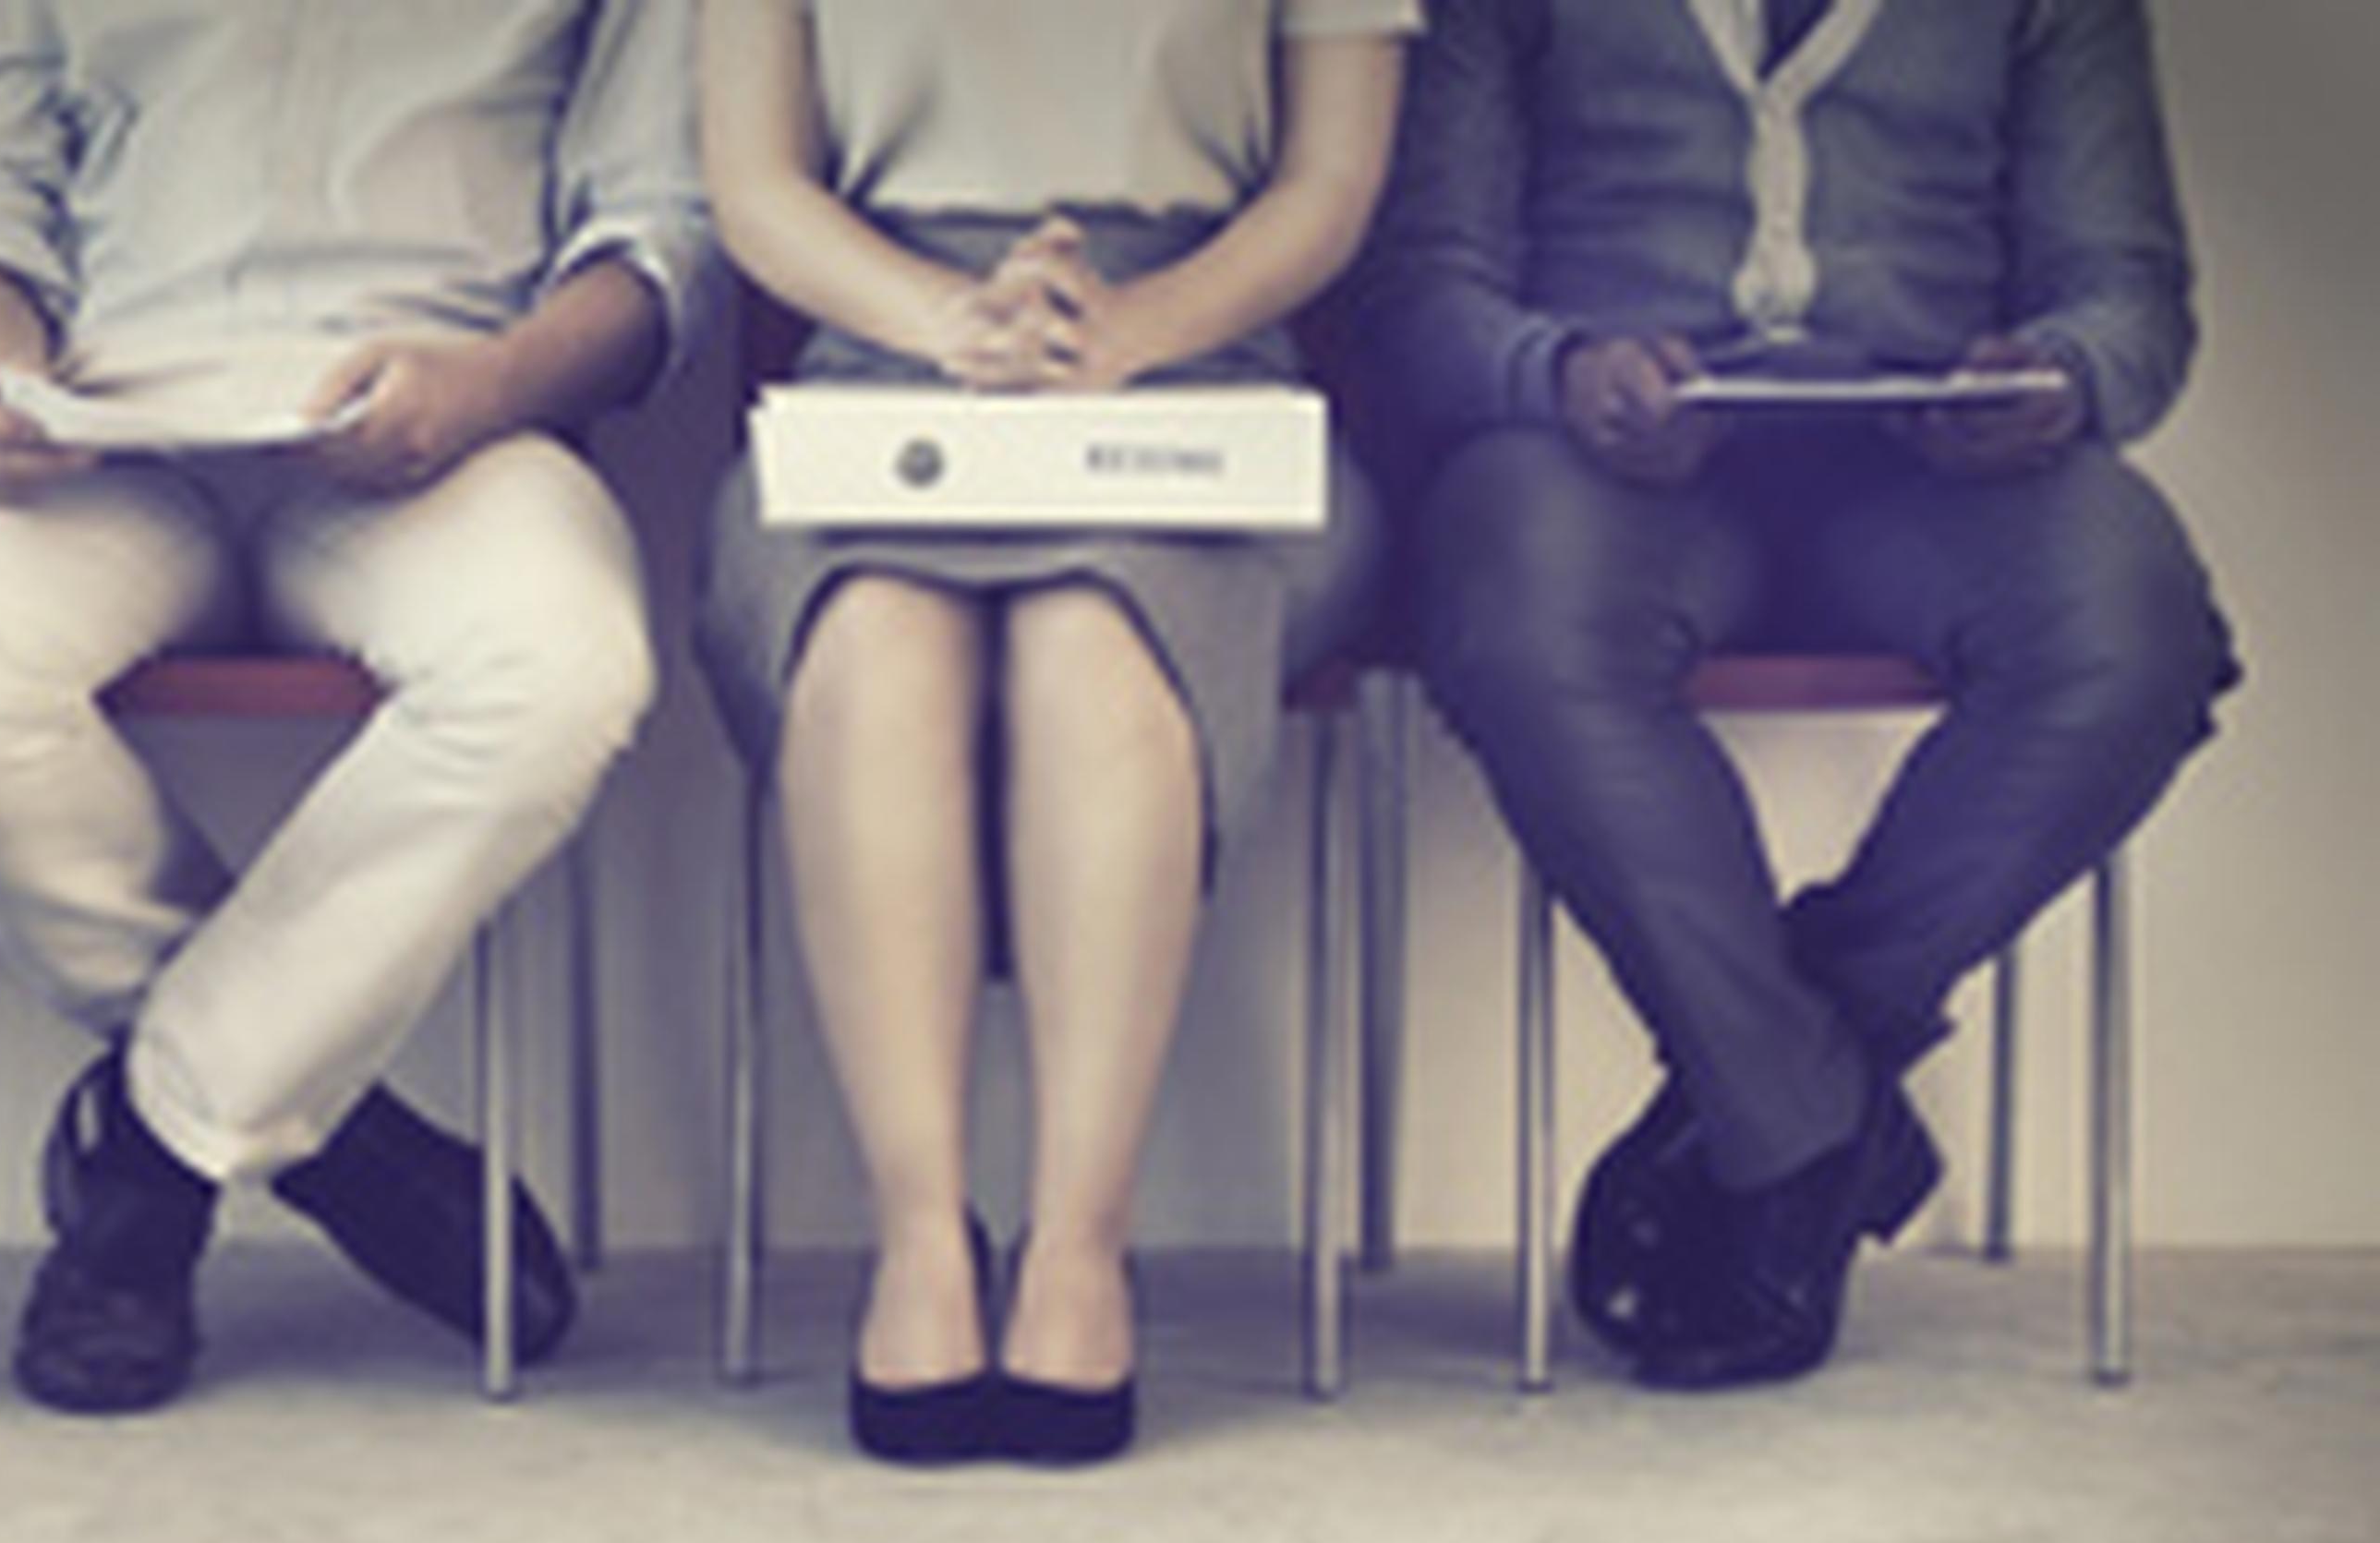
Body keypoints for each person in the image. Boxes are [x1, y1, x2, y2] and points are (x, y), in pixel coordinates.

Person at [0, 0, 708, 1416]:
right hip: (98, 421)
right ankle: (321, 1132)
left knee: (561, 656)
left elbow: (659, 235)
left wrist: (488, 383)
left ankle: (147, 1166)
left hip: (439, 418)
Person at [1359, 0, 2237, 1388]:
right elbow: (1411, 291)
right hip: (1603, 467)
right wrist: (1556, 371)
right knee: (1517, 607)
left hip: (1934, 477)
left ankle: (1780, 1091)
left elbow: (2133, 294)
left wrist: (2062, 379)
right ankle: (1811, 1120)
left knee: (2134, 635)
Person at [693, 0, 1418, 1465]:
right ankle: (922, 1241)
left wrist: (1134, 327)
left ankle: (1083, 1243)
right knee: (874, 641)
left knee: (1095, 639)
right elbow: (758, 188)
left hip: (1203, 369)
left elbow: (1332, 188)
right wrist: (953, 322)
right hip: (882, 361)